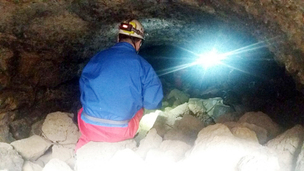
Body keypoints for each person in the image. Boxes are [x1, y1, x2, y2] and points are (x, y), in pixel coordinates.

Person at [75, 19, 163, 151]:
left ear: (118, 38)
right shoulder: (143, 65)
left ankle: (83, 147)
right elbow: (152, 102)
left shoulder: (97, 58)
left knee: (83, 109)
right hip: (120, 131)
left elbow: (84, 90)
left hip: (88, 126)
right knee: (141, 108)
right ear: (139, 43)